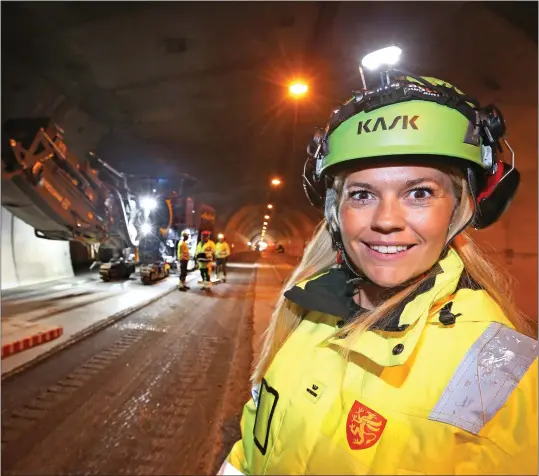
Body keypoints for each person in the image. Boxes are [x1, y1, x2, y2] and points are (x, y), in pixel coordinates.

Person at [219, 70, 537, 475]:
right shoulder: (307, 315)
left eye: (419, 192)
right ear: (336, 213)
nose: (386, 220)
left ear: (460, 209)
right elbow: (250, 452)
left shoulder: (502, 370)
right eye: (363, 194)